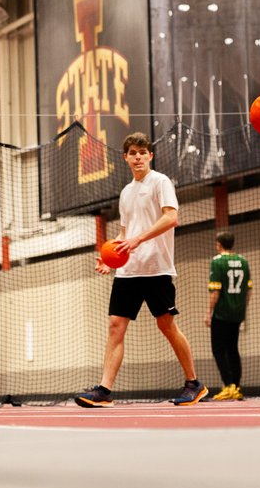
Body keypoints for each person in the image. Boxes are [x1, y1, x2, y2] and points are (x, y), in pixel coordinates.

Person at [74, 132, 208, 408]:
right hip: (128, 271)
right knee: (115, 327)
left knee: (167, 325)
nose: (137, 157)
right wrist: (109, 259)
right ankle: (104, 390)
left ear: (150, 156)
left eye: (142, 152)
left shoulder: (160, 182)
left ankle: (194, 383)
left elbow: (171, 217)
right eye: (132, 153)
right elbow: (124, 233)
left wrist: (139, 239)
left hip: (156, 267)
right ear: (125, 157)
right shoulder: (126, 192)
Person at [207, 231, 252, 401]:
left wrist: (209, 312)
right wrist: (241, 308)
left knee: (218, 349)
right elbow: (249, 290)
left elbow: (215, 292)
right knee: (233, 349)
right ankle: (237, 387)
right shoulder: (243, 261)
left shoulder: (217, 262)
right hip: (237, 313)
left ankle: (227, 386)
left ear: (219, 244)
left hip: (221, 312)